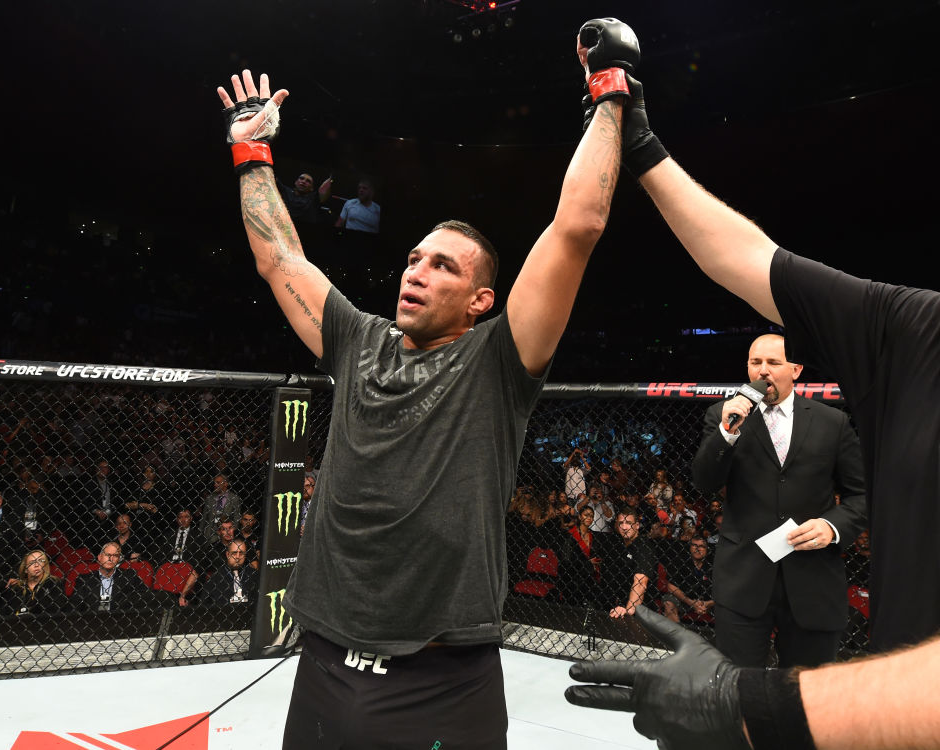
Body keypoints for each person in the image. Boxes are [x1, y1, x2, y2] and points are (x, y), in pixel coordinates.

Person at [216, 13, 631, 745]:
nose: (416, 271)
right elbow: (280, 258)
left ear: (481, 301)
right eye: (412, 258)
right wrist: (252, 152)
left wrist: (609, 94)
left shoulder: (500, 360)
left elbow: (578, 227)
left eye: (443, 265)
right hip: (323, 657)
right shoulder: (357, 339)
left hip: (443, 672)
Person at [565, 31, 940, 749]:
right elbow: (748, 259)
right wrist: (638, 136)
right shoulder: (915, 324)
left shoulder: (835, 419)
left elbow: (855, 496)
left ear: (799, 370)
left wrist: (756, 708)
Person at [691, 333, 867, 668]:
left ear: (796, 369)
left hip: (812, 580)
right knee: (738, 693)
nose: (763, 371)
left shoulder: (833, 422)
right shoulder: (722, 416)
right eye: (756, 362)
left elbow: (862, 495)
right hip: (743, 579)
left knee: (805, 696)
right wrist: (727, 433)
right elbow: (704, 481)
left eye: (774, 362)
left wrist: (832, 527)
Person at [595, 508, 656, 619]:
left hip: (639, 609)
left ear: (637, 525)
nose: (624, 527)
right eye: (621, 523)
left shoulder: (644, 548)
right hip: (615, 603)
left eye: (629, 523)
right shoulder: (617, 544)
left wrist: (629, 609)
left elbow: (641, 582)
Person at [69, 541, 152, 613]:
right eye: (107, 555)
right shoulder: (84, 580)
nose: (111, 558)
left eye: (115, 556)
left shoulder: (129, 576)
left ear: (118, 559)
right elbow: (73, 609)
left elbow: (145, 598)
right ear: (100, 557)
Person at [0, 549, 67, 617]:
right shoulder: (16, 588)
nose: (36, 565)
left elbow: (57, 610)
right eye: (32, 562)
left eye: (41, 561)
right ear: (25, 569)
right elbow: (5, 613)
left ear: (45, 566)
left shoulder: (54, 583)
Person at [661, 536, 715, 624]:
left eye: (701, 546)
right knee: (668, 601)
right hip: (685, 599)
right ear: (690, 547)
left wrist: (709, 603)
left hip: (709, 601)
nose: (697, 549)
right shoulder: (680, 561)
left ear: (707, 549)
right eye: (694, 545)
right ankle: (675, 635)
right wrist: (690, 602)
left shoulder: (714, 564)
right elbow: (671, 587)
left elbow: (725, 590)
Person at [197, 539, 259, 606]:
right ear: (227, 554)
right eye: (234, 553)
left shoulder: (254, 575)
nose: (237, 557)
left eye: (241, 553)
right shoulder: (215, 578)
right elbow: (204, 604)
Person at [198, 474, 241, 544]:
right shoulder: (210, 498)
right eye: (214, 482)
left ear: (226, 484)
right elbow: (204, 517)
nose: (215, 485)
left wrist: (230, 533)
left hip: (225, 534)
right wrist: (200, 533)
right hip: (209, 534)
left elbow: (236, 518)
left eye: (218, 482)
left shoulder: (234, 498)